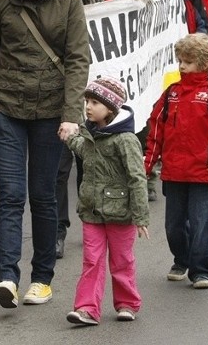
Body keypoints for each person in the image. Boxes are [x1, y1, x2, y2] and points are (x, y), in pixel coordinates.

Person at [0, 0, 90, 309]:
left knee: (43, 197)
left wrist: (72, 115)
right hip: (7, 109)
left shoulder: (69, 2)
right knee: (10, 196)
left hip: (50, 113)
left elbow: (77, 61)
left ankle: (42, 278)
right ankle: (7, 276)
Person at [146, 34, 208, 290]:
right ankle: (181, 259)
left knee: (201, 223)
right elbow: (156, 129)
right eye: (181, 60)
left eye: (189, 61)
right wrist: (147, 165)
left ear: (204, 63)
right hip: (173, 171)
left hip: (204, 172)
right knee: (173, 225)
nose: (182, 66)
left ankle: (200, 270)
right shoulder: (171, 93)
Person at [62, 77, 150, 326]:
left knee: (121, 260)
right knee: (92, 260)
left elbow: (137, 178)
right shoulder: (92, 133)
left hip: (120, 213)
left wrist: (140, 216)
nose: (88, 107)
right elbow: (84, 149)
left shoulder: (126, 139)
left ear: (110, 108)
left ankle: (127, 304)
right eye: (87, 101)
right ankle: (87, 308)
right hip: (91, 211)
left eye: (94, 102)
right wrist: (70, 138)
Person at [51, 0, 103, 259]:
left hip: (90, 92)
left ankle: (90, 222)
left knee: (88, 164)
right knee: (58, 168)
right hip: (57, 91)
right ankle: (57, 229)